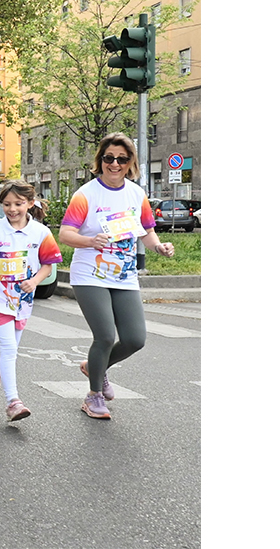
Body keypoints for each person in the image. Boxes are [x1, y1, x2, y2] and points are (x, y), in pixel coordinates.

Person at [58, 133, 175, 419]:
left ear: (130, 163)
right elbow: (65, 234)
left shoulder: (136, 194)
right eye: (109, 158)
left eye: (121, 159)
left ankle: (95, 367)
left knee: (135, 339)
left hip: (123, 276)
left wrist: (158, 246)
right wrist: (89, 241)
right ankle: (94, 396)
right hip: (90, 275)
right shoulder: (86, 194)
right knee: (105, 336)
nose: (115, 164)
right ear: (101, 160)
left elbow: (146, 231)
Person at [0, 181, 63, 422]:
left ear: (29, 203)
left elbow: (48, 265)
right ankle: (13, 401)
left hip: (23, 300)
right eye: (7, 204)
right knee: (9, 348)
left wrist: (35, 281)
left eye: (18, 204)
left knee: (10, 350)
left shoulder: (40, 232)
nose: (12, 209)